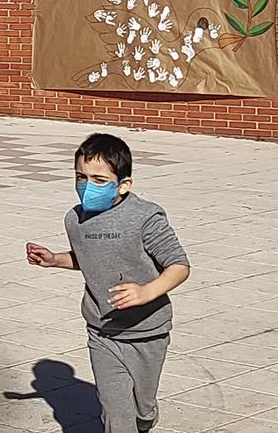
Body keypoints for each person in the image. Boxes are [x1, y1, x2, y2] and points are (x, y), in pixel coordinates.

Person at [26, 133, 190, 433]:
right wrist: (55, 259)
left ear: (124, 184)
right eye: (81, 177)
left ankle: (146, 417)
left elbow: (179, 265)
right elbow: (88, 258)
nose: (88, 186)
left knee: (141, 410)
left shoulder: (144, 217)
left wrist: (146, 292)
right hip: (103, 331)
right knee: (117, 413)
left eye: (99, 180)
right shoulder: (74, 220)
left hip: (148, 331)